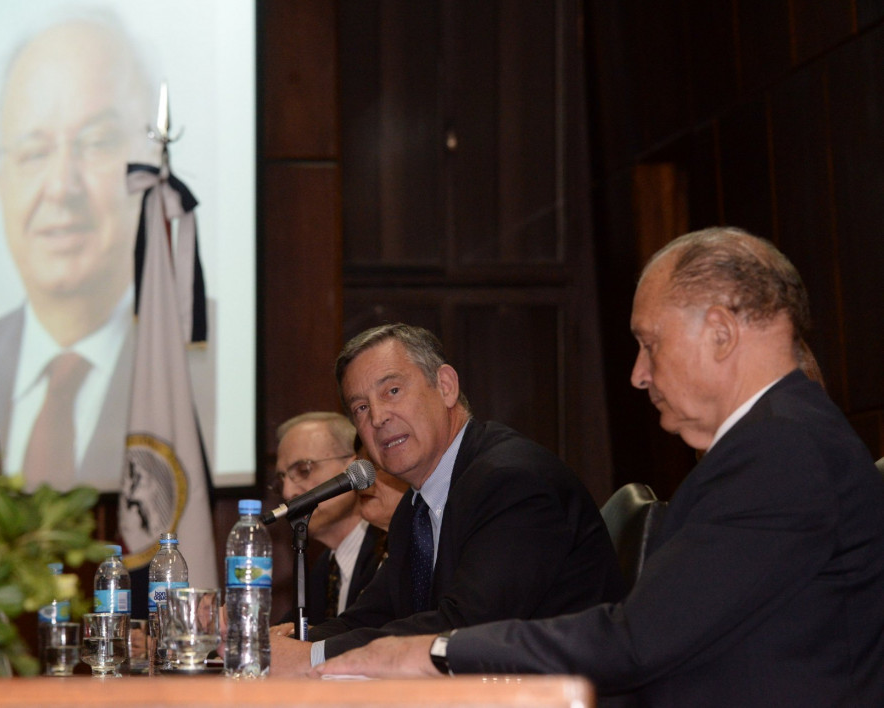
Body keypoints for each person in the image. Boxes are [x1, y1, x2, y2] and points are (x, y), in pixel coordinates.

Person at [316, 228, 884, 706]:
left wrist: (434, 650)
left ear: (720, 332)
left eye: (649, 344)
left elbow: (637, 640)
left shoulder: (781, 454)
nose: (638, 373)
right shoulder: (772, 445)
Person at [272, 324, 626, 674]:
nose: (378, 417)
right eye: (361, 408)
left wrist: (314, 657)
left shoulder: (512, 481)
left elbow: (464, 627)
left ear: (445, 386)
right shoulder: (417, 506)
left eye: (392, 391)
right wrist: (293, 645)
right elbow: (378, 613)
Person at [0, 12, 156, 492]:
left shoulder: (196, 356)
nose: (61, 187)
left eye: (97, 142)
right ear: (1, 184)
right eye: (33, 152)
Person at [272, 412, 387, 628]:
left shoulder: (390, 550)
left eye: (303, 470)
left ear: (354, 469)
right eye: (282, 479)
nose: (288, 492)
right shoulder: (325, 567)